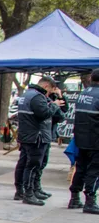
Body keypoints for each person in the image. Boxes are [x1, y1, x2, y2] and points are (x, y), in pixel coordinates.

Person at [13, 76, 66, 205]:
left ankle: (28, 190)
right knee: (32, 165)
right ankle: (28, 193)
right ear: (46, 86)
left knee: (26, 164)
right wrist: (54, 105)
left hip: (29, 135)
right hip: (36, 136)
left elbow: (61, 114)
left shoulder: (28, 94)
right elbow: (44, 113)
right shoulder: (37, 97)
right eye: (51, 90)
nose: (50, 93)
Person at [70, 69, 99, 214]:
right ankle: (90, 200)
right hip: (96, 140)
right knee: (95, 170)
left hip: (81, 139)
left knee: (81, 168)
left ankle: (74, 197)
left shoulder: (83, 93)